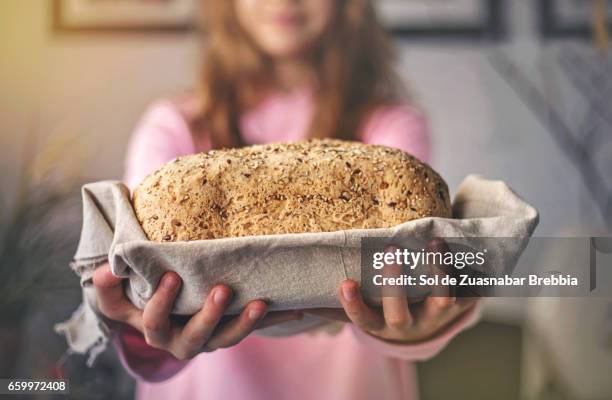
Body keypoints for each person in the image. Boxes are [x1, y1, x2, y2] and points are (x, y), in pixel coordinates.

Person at [92, 1, 479, 399]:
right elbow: (144, 286)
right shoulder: (173, 128)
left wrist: (422, 326)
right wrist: (142, 328)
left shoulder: (392, 127)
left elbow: (414, 275)